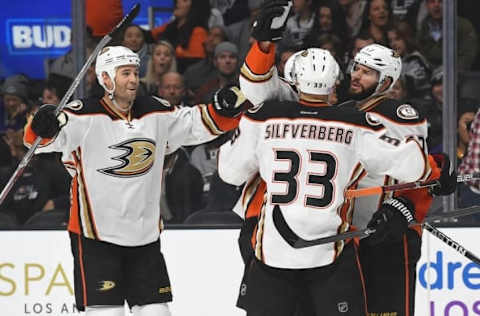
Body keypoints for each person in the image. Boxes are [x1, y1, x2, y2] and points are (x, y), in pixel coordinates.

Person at [236, 2, 456, 314]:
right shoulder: (335, 114)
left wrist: (404, 207)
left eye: (367, 73)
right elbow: (259, 89)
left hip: (387, 237)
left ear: (387, 81)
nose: (356, 76)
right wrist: (263, 46)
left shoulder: (398, 116)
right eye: (356, 68)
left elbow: (417, 173)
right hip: (341, 239)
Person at [23, 45, 249, 316]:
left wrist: (224, 107)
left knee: (157, 312)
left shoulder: (156, 111)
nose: (133, 80)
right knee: (108, 313)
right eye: (125, 73)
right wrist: (41, 124)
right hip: (96, 236)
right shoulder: (80, 115)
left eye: (135, 73)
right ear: (106, 78)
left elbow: (198, 123)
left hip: (145, 237)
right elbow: (38, 142)